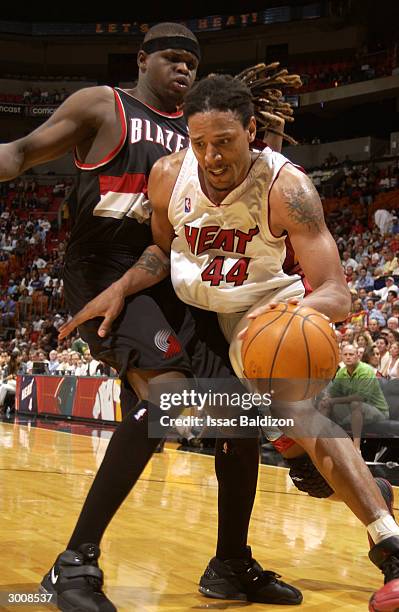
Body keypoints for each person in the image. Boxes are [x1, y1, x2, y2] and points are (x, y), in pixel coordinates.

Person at [68, 75, 399, 611]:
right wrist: (120, 287)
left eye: (224, 141)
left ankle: (390, 551)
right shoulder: (169, 176)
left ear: (251, 131)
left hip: (261, 313)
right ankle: (227, 561)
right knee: (218, 426)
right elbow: (158, 253)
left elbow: (338, 293)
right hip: (196, 315)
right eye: (199, 143)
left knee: (297, 414)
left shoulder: (286, 188)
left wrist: (289, 314)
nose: (211, 155)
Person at [0, 24, 302, 612]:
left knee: (238, 416)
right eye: (172, 58)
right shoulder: (103, 105)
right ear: (142, 60)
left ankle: (230, 563)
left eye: (193, 61)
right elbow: (18, 153)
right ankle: (74, 564)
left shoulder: (199, 136)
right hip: (103, 270)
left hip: (174, 276)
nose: (184, 69)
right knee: (166, 401)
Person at [319, 344, 388, 451]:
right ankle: (323, 442)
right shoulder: (341, 372)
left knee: (356, 404)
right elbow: (333, 392)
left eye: (351, 354)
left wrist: (333, 400)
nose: (348, 357)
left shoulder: (366, 370)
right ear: (341, 357)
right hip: (353, 408)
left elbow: (359, 397)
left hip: (377, 410)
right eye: (345, 354)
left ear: (357, 356)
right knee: (324, 404)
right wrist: (327, 398)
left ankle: (356, 447)